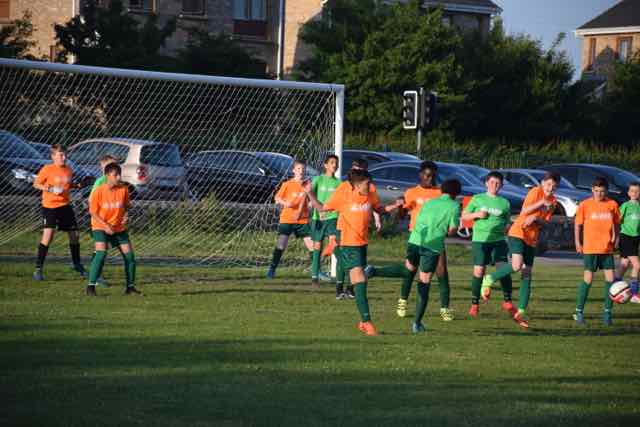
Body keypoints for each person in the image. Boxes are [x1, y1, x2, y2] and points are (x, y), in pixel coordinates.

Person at [305, 169, 402, 336]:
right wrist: (310, 193)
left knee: (360, 280)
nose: (370, 186)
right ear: (357, 185)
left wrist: (395, 205)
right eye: (367, 183)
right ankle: (366, 322)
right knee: (360, 280)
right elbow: (322, 208)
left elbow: (379, 209)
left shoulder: (370, 193)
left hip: (362, 244)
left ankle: (336, 250)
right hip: (349, 244)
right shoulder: (344, 194)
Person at [366, 161, 454, 321]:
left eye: (434, 176)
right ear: (421, 175)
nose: (431, 179)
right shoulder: (411, 192)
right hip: (417, 237)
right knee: (410, 271)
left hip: (435, 239)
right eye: (428, 175)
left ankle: (445, 307)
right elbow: (401, 216)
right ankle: (403, 300)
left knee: (441, 271)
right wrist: (400, 207)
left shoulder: (440, 193)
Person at [481, 172, 560, 328]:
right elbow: (524, 211)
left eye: (554, 186)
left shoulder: (554, 201)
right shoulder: (535, 192)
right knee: (517, 265)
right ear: (542, 183)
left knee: (527, 274)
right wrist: (541, 203)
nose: (550, 188)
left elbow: (545, 222)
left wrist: (537, 219)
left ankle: (521, 311)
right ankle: (489, 278)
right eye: (548, 184)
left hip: (532, 239)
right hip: (518, 233)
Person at [409, 179, 461, 333]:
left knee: (408, 272)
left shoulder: (430, 202)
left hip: (415, 241)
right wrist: (446, 231)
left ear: (442, 190)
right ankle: (417, 323)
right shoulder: (454, 206)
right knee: (425, 282)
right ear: (456, 193)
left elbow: (419, 221)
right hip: (432, 246)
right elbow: (452, 230)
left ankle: (375, 271)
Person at [461, 171, 513, 319]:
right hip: (480, 240)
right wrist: (477, 215)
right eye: (491, 182)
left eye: (497, 183)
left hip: (499, 241)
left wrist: (507, 228)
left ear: (501, 185)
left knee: (503, 270)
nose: (494, 185)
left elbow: (507, 221)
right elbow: (464, 216)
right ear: (486, 183)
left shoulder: (505, 202)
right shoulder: (477, 198)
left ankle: (507, 301)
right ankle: (475, 304)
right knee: (479, 271)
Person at [32, 144, 86, 281]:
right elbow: (36, 184)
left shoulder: (68, 169)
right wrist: (50, 189)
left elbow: (67, 185)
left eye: (65, 154)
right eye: (61, 155)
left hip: (65, 206)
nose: (64, 157)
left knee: (74, 235)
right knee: (48, 236)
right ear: (53, 156)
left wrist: (78, 185)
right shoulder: (47, 169)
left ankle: (76, 264)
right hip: (50, 206)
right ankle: (38, 269)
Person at [86, 163, 140, 296]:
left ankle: (130, 288)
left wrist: (126, 216)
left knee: (130, 257)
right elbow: (93, 212)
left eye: (119, 174)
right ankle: (91, 287)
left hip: (118, 228)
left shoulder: (123, 189)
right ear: (107, 176)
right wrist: (105, 226)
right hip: (100, 226)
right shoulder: (99, 191)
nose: (118, 177)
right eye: (115, 175)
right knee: (101, 253)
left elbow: (127, 206)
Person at [331, 158, 382, 299]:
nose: (355, 172)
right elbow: (333, 205)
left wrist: (377, 218)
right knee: (343, 260)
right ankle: (339, 289)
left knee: (359, 263)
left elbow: (374, 205)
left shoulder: (370, 187)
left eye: (359, 170)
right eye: (354, 169)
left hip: (360, 230)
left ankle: (350, 288)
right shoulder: (343, 186)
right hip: (343, 227)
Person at [573, 177, 620, 326]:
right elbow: (578, 225)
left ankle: (607, 313)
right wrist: (577, 242)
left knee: (610, 280)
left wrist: (616, 237)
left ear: (607, 191)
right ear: (592, 190)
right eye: (597, 191)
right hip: (590, 248)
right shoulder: (585, 205)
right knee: (588, 279)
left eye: (602, 191)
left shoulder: (612, 204)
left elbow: (616, 223)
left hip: (607, 248)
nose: (599, 194)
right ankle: (578, 312)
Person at [267, 159, 314, 279]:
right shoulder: (287, 184)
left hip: (302, 220)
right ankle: (272, 269)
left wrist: (310, 204)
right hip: (287, 219)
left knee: (312, 246)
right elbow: (277, 198)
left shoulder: (308, 184)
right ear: (293, 170)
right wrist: (285, 203)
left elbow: (311, 200)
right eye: (298, 168)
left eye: (303, 169)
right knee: (281, 245)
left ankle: (316, 271)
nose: (301, 171)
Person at [310, 155, 341, 290]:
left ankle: (342, 276)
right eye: (332, 162)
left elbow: (339, 201)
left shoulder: (339, 183)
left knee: (335, 245)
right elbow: (310, 195)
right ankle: (314, 277)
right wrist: (318, 210)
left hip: (333, 217)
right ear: (325, 165)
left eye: (336, 163)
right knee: (317, 246)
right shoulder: (318, 179)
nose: (334, 165)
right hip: (318, 218)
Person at [89, 154, 120, 287]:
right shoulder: (100, 182)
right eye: (111, 165)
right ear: (104, 167)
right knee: (101, 249)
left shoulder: (116, 182)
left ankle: (95, 274)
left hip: (111, 221)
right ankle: (96, 277)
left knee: (102, 249)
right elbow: (91, 200)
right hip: (100, 221)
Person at [615, 182, 640, 303]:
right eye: (632, 191)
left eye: (637, 191)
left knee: (624, 264)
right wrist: (615, 236)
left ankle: (613, 286)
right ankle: (634, 294)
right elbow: (617, 220)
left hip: (636, 238)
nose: (635, 193)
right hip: (626, 237)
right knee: (637, 265)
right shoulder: (625, 205)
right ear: (629, 193)